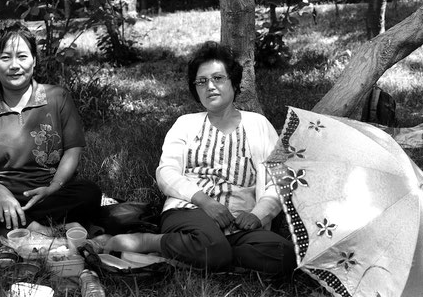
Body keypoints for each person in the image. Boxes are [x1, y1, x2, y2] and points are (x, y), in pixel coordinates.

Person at [100, 41, 296, 276]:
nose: (210, 86)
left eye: (218, 78)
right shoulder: (186, 123)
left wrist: (258, 214)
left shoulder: (260, 125)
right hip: (190, 210)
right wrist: (205, 202)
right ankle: (147, 242)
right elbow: (166, 173)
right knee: (212, 247)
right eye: (202, 81)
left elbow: (280, 178)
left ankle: (191, 256)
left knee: (284, 254)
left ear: (233, 81)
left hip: (239, 223)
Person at [0, 20, 101, 240]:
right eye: (5, 57)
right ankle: (37, 228)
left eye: (22, 56)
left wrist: (54, 186)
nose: (14, 65)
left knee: (89, 193)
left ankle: (10, 229)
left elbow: (73, 150)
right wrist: (0, 192)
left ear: (34, 60)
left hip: (49, 196)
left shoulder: (57, 97)